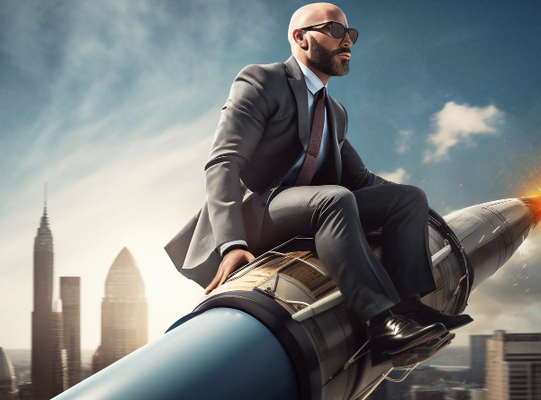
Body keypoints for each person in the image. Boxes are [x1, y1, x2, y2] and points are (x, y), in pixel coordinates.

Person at [165, 2, 453, 360]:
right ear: (301, 38)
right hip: (257, 212)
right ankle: (381, 323)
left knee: (407, 197)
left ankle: (409, 310)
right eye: (335, 31)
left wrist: (422, 209)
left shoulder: (335, 112)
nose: (346, 41)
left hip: (311, 207)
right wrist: (231, 243)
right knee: (334, 199)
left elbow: (361, 179)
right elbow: (223, 161)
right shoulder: (261, 81)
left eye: (351, 34)